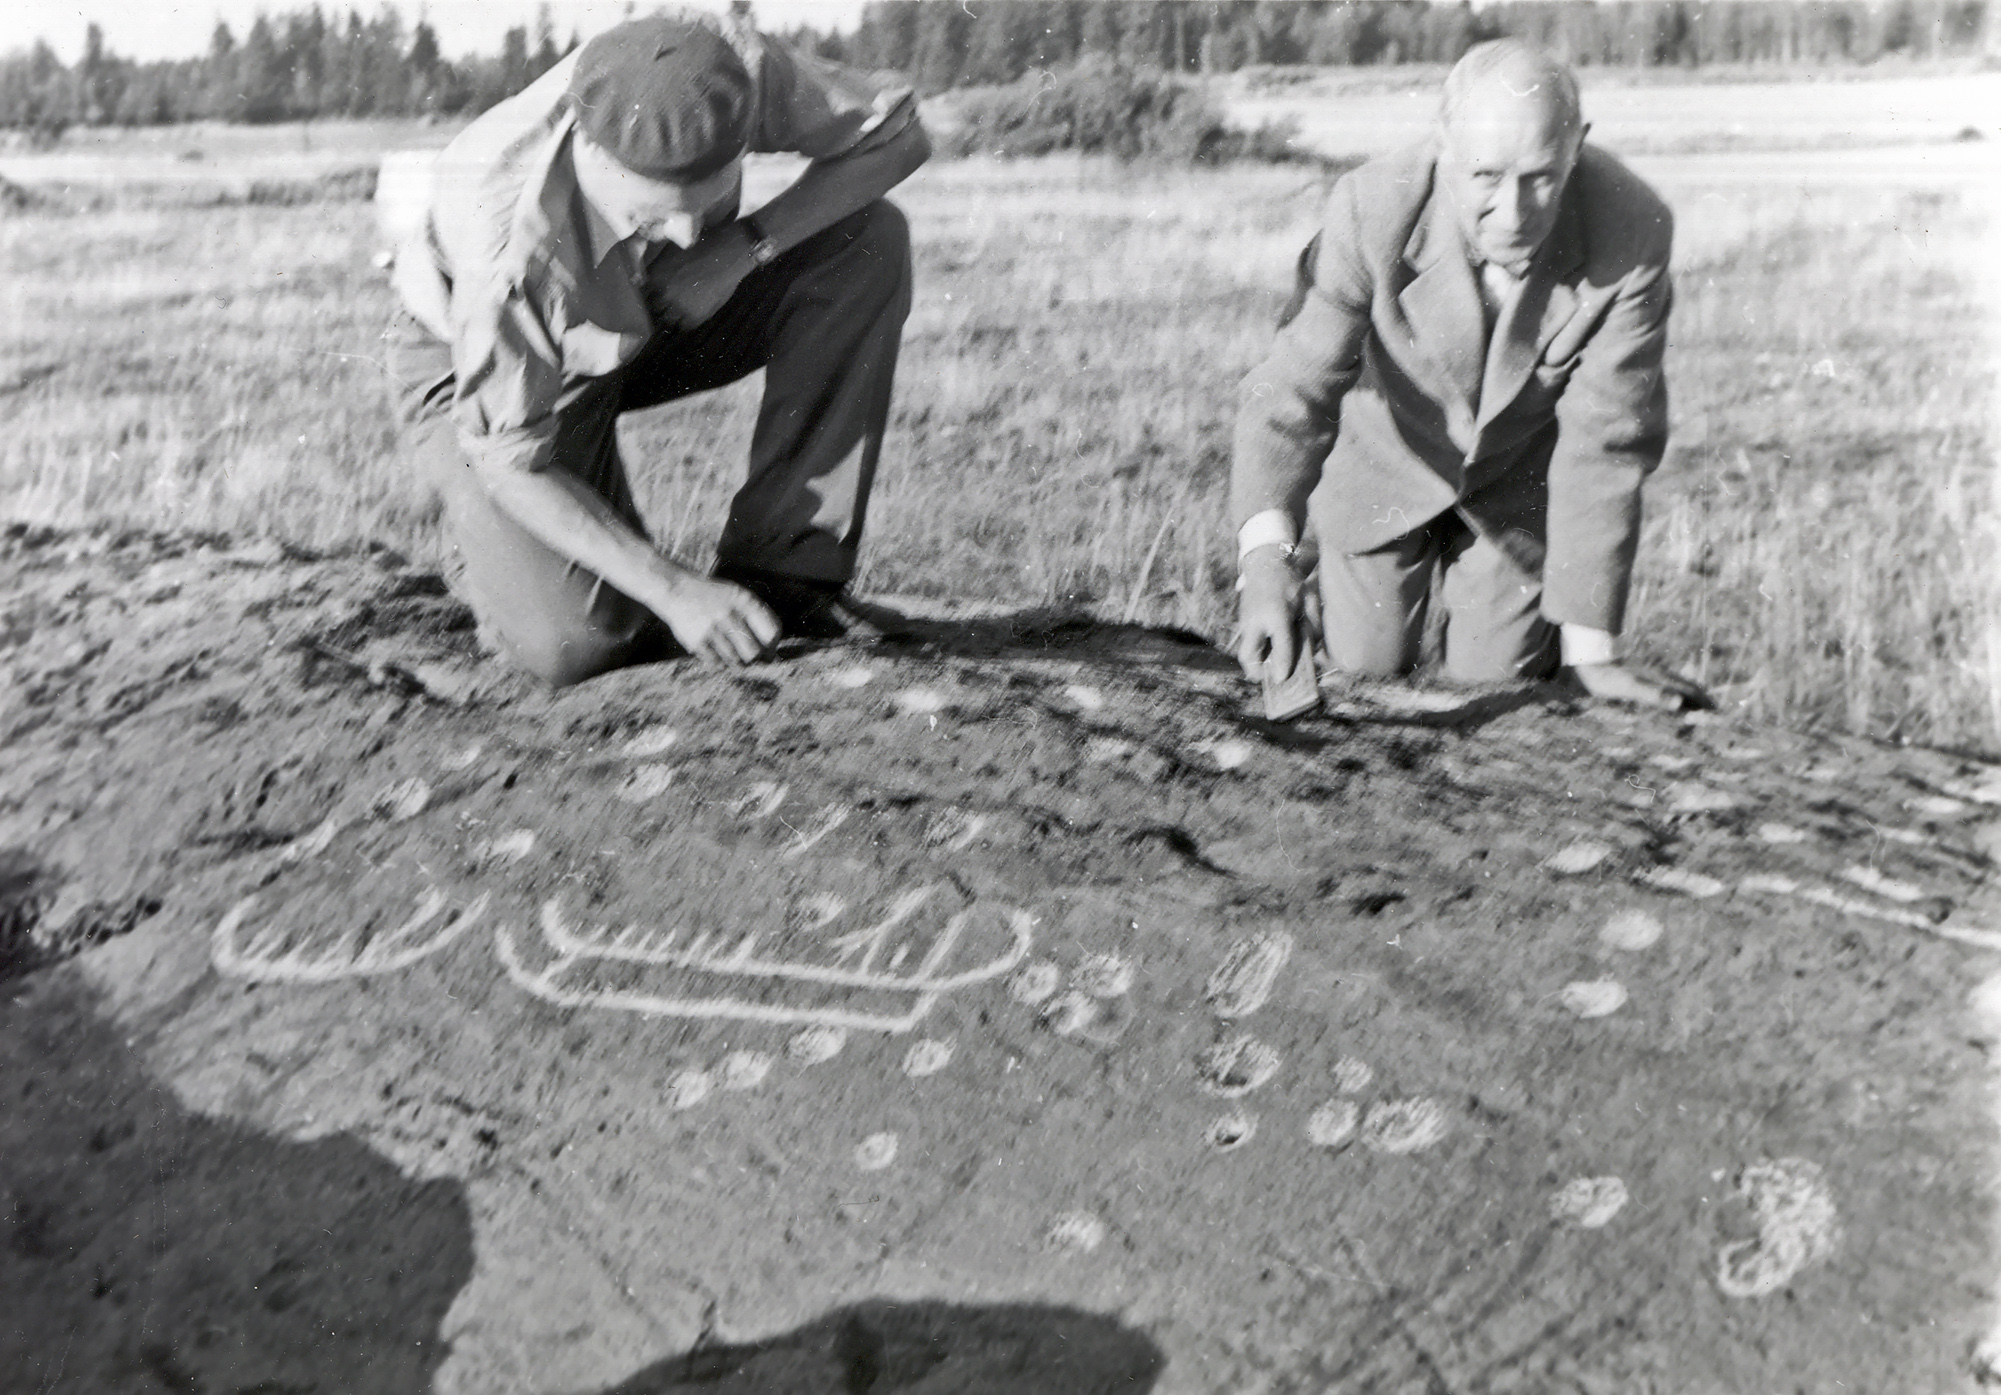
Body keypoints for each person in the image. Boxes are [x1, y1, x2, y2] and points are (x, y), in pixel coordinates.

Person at [377, 12, 927, 685]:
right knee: (582, 650)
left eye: (708, 199)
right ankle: (486, 552)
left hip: (654, 310)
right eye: (654, 214)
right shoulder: (504, 240)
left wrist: (741, 248)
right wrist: (671, 588)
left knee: (865, 242)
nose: (688, 229)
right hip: (484, 370)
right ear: (593, 153)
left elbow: (899, 133)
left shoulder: (726, 70)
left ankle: (787, 576)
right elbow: (511, 456)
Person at [1231, 40, 1706, 711]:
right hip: (1384, 467)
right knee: (1366, 668)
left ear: (1578, 146)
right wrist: (1263, 562)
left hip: (1515, 487)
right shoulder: (1370, 210)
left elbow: (1605, 439)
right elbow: (1292, 389)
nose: (1512, 214)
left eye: (1540, 176)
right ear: (1443, 147)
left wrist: (1591, 652)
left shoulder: (1630, 229)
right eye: (1484, 177)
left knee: (1496, 684)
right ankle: (1316, 593)